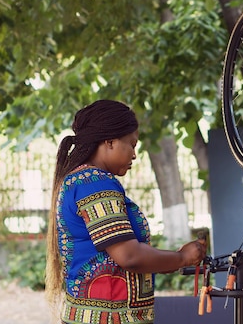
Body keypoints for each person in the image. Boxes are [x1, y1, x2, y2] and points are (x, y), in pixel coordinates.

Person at [45, 99, 206, 324]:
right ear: (109, 142)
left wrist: (171, 261)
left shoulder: (79, 181)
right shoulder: (95, 183)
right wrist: (182, 258)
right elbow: (129, 256)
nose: (134, 154)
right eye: (131, 144)